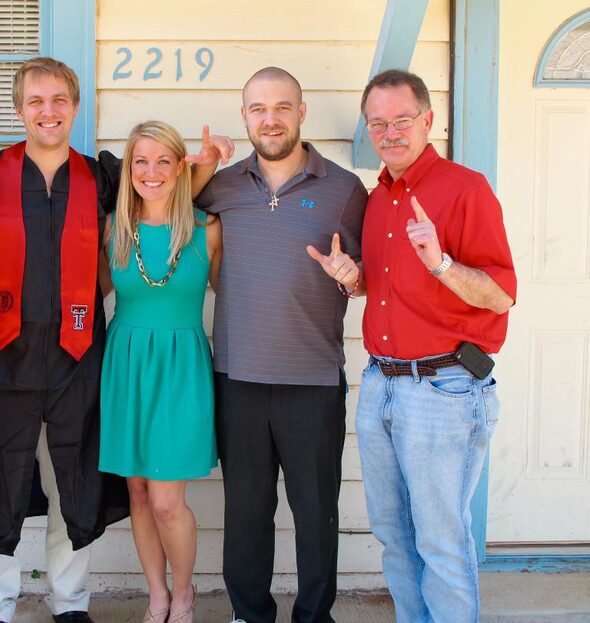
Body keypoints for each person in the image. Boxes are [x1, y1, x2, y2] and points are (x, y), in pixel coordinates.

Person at [0, 57, 231, 623]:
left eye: (59, 100)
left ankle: (71, 603)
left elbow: (157, 198)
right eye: (35, 101)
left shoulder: (100, 176)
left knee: (72, 486)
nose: (48, 111)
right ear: (18, 110)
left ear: (75, 107)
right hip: (1, 360)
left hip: (80, 361)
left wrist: (203, 167)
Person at [308, 69, 516, 622]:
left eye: (402, 119)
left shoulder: (464, 189)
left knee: (441, 538)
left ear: (429, 120)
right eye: (378, 122)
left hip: (443, 388)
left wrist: (442, 263)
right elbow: (386, 286)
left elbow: (499, 297)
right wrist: (352, 278)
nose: (390, 131)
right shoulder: (380, 197)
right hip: (382, 383)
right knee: (394, 535)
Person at [195, 67, 367, 623]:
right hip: (238, 377)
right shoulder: (219, 186)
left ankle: (315, 616)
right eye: (258, 109)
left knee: (316, 513)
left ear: (301, 111)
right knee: (247, 513)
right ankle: (251, 614)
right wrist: (200, 164)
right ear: (244, 116)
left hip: (313, 380)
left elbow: (366, 275)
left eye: (281, 107)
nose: (270, 119)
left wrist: (352, 275)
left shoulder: (344, 189)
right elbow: (160, 201)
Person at [98, 121, 222, 623]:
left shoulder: (207, 229)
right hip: (126, 367)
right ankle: (157, 596)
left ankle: (185, 593)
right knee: (139, 493)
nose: (151, 172)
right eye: (141, 162)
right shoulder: (113, 229)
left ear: (181, 167)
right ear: (129, 170)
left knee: (169, 501)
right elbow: (91, 294)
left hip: (180, 371)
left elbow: (238, 296)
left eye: (163, 161)